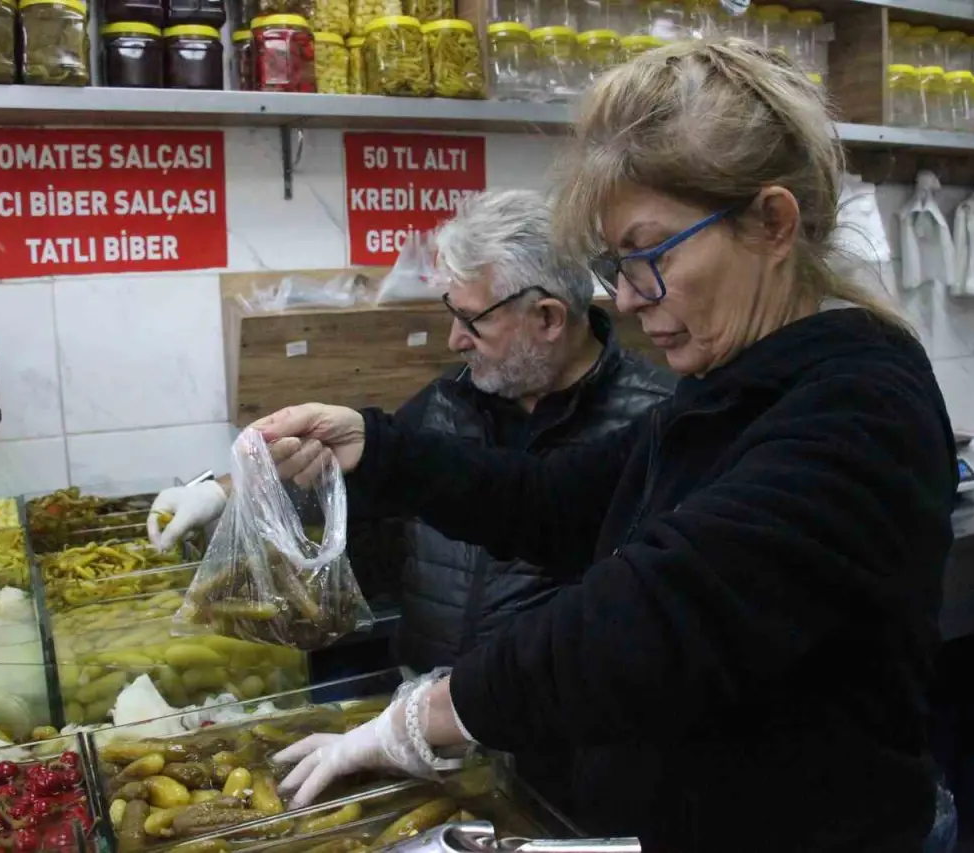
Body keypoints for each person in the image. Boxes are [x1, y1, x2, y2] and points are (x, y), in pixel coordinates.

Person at [254, 40, 958, 852]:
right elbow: (554, 499)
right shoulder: (727, 386)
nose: (623, 297)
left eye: (647, 254)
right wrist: (376, 447)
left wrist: (424, 718)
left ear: (771, 223)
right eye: (614, 262)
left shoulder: (858, 410)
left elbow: (650, 619)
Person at [150, 190, 674, 676]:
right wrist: (222, 492)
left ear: (548, 317)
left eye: (473, 321)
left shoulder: (656, 424)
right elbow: (342, 478)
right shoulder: (450, 402)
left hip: (553, 738)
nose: (454, 340)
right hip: (425, 710)